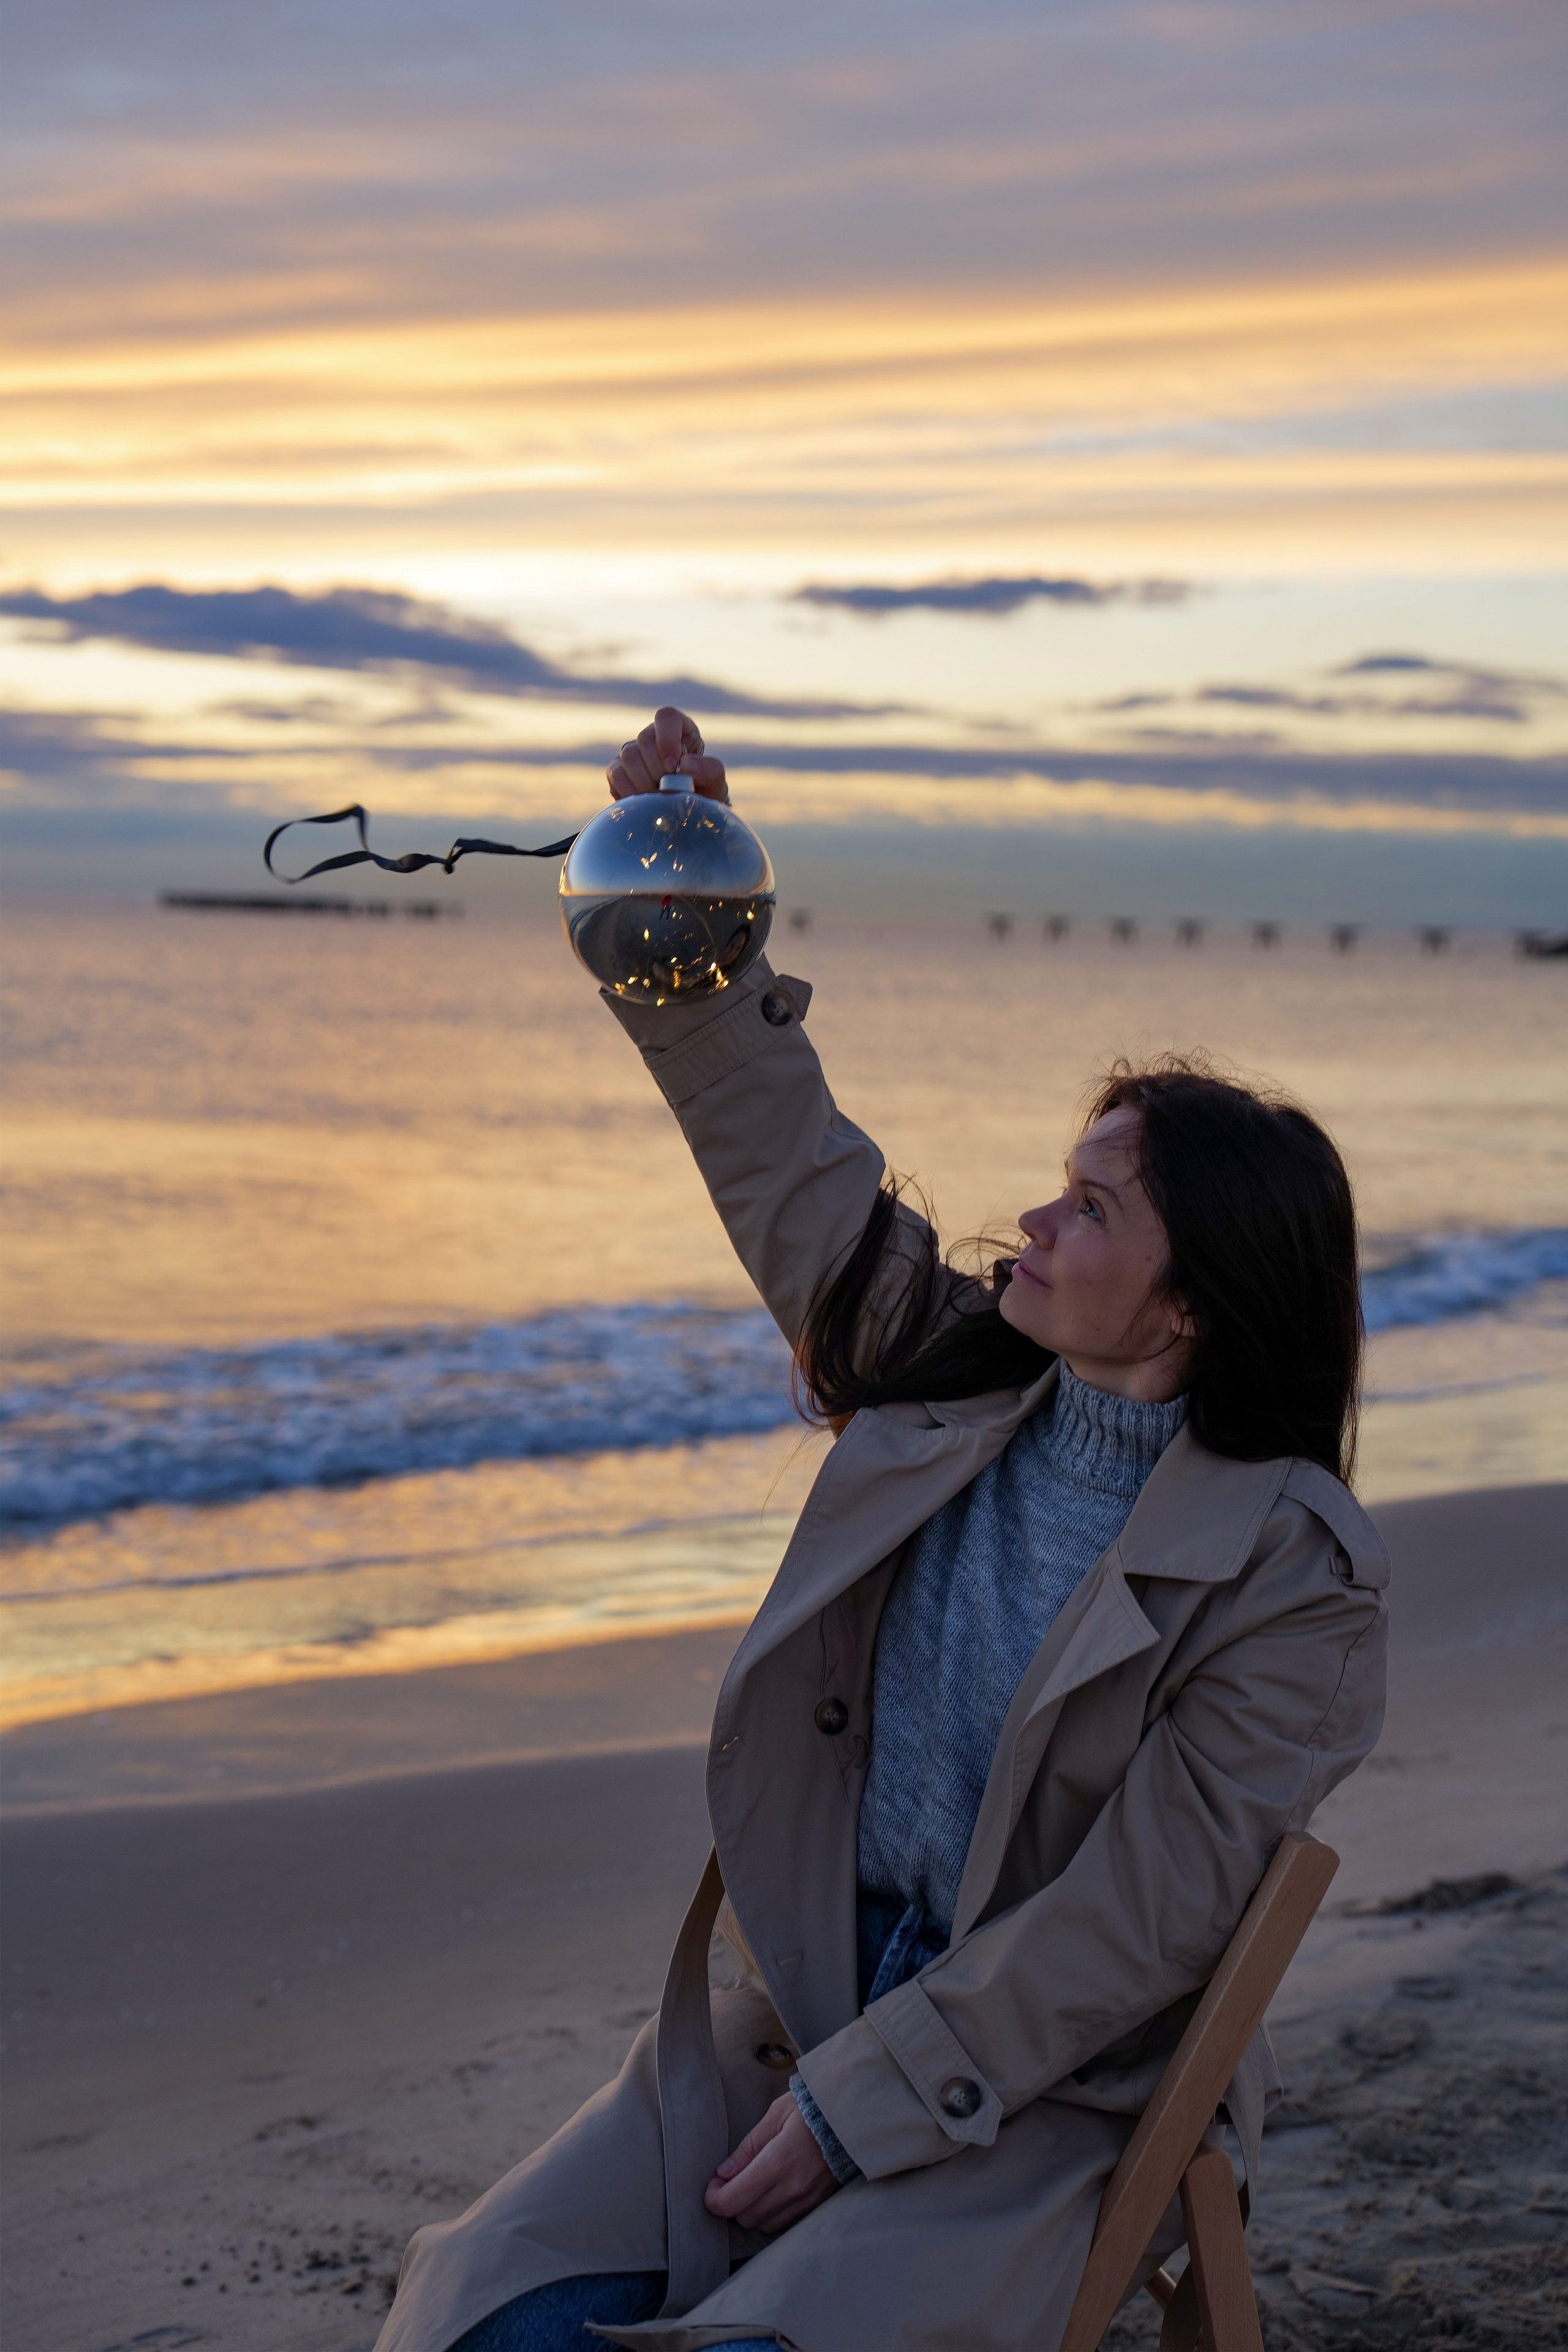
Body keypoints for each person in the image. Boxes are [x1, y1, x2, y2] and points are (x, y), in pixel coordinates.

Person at [375, 707, 1389, 2352]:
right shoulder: (950, 1368)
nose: (1041, 1219)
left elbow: (1136, 1921)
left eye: (1095, 1207)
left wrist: (874, 2106)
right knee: (480, 2328)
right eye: (1059, 1186)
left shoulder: (1297, 1581)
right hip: (795, 2017)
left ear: (1195, 1303)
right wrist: (686, 917)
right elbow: (793, 1165)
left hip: (1045, 2091)